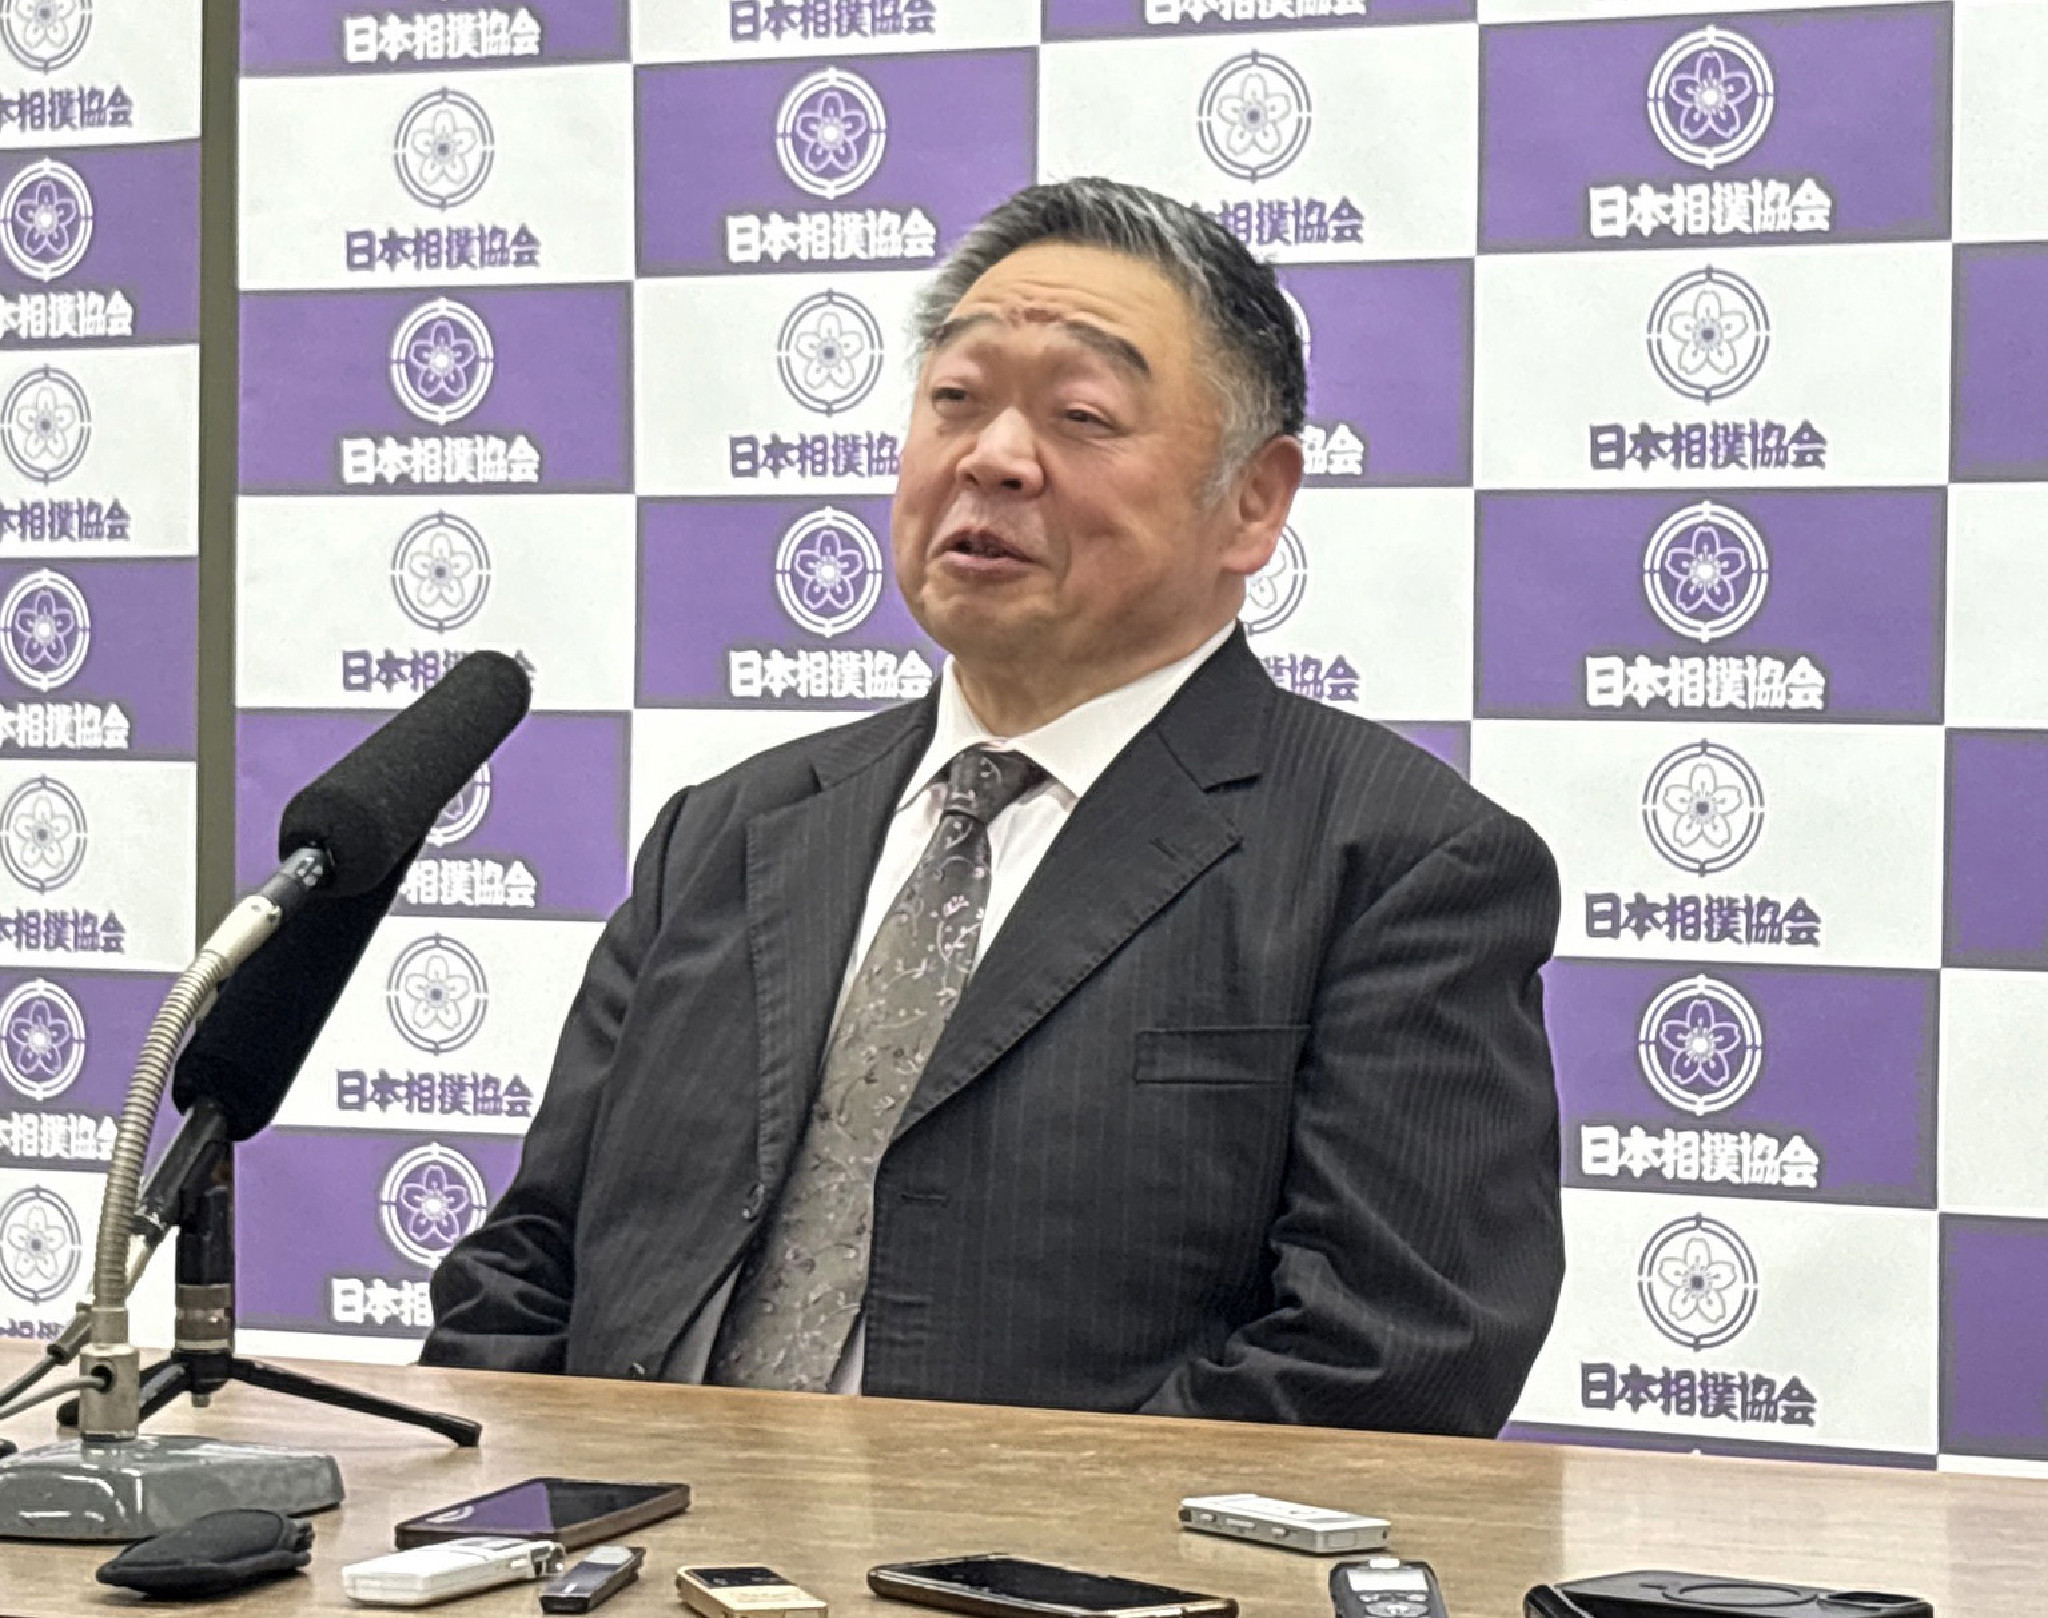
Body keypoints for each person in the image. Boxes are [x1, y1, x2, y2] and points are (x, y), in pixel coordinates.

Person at [423, 176, 1564, 1436]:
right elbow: (529, 1263)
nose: (992, 458)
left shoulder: (1398, 866)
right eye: (954, 399)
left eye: (1081, 415)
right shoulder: (730, 829)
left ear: (1252, 500)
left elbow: (1387, 1360)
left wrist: (969, 1530)